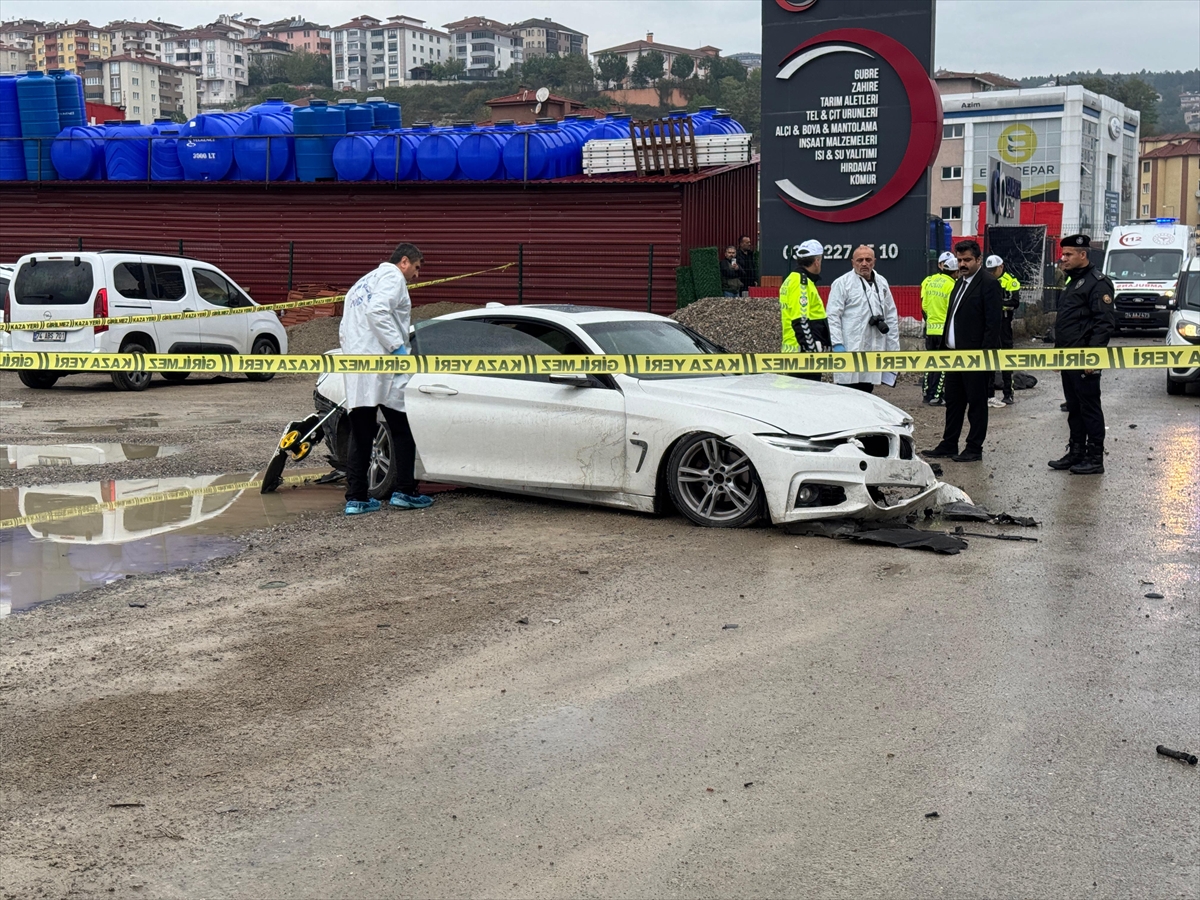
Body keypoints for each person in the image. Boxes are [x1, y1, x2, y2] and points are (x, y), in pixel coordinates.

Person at [339, 242, 434, 515]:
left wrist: (353, 357)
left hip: (358, 367)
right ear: (404, 261)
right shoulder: (393, 277)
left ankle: (356, 498)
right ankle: (405, 491)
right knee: (403, 428)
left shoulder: (360, 284)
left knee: (362, 433)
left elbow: (345, 329)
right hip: (385, 365)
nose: (416, 275)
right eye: (416, 268)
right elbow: (377, 311)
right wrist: (397, 348)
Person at [922, 239, 1003, 462]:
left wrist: (984, 356)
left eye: (967, 260)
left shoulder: (988, 284)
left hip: (975, 357)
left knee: (976, 404)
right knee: (954, 402)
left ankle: (974, 447)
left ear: (978, 260)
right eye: (959, 260)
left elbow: (993, 323)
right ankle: (949, 443)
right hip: (953, 356)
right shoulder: (959, 283)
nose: (962, 264)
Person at [1048, 234, 1116, 475]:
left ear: (1082, 255)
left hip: (1085, 358)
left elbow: (1104, 323)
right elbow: (1067, 322)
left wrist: (1093, 357)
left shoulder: (1098, 283)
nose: (1062, 258)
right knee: (1074, 407)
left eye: (1068, 255)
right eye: (1063, 254)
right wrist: (1059, 354)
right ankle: (1076, 451)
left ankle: (1095, 456)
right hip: (1068, 357)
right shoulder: (1073, 281)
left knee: (1089, 406)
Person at [826, 245, 900, 393]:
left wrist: (893, 349)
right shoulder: (842, 283)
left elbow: (891, 316)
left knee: (867, 389)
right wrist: (837, 344)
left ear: (874, 262)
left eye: (868, 259)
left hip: (873, 347)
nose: (864, 263)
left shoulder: (882, 282)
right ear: (853, 262)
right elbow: (833, 315)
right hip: (850, 346)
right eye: (860, 260)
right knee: (847, 391)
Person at [779, 239, 829, 381]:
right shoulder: (801, 282)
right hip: (803, 353)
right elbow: (800, 320)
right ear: (817, 261)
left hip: (796, 350)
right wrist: (810, 350)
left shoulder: (792, 279)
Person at [920, 252, 957, 405]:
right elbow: (953, 309)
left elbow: (924, 306)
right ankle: (937, 395)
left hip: (930, 329)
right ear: (955, 272)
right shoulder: (952, 285)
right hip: (944, 331)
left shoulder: (930, 281)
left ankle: (926, 393)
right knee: (944, 364)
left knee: (930, 362)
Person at [986, 254, 1021, 406]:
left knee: (1006, 359)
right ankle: (989, 394)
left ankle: (1008, 393)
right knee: (989, 360)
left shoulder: (1010, 281)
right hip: (989, 325)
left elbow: (1014, 302)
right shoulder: (986, 280)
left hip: (1004, 324)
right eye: (989, 270)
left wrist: (996, 304)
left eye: (994, 270)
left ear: (1001, 267)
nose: (991, 273)